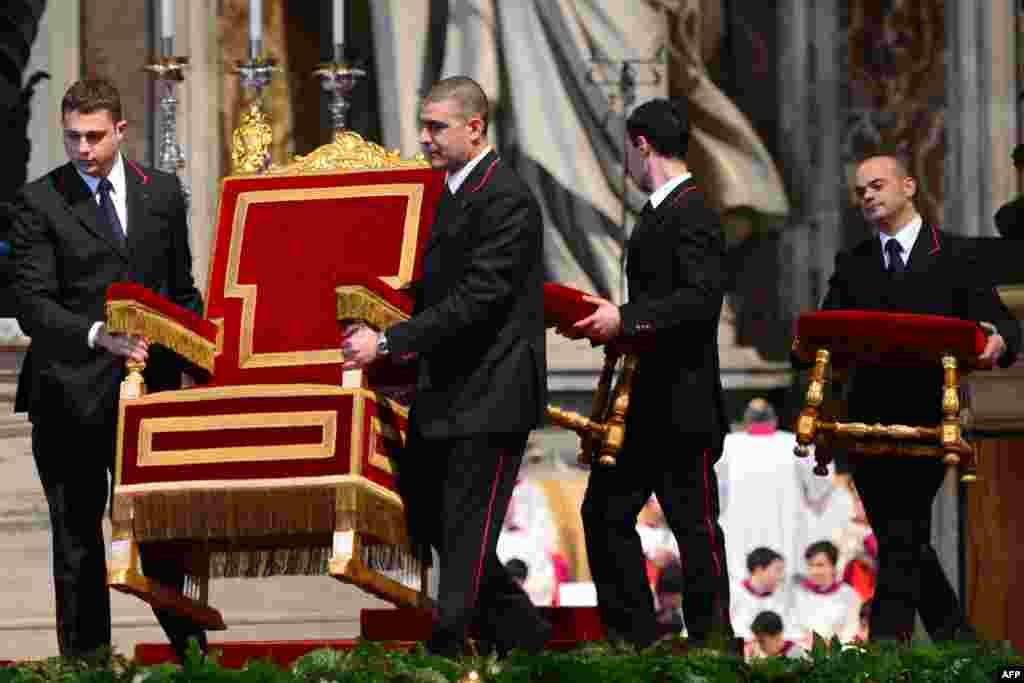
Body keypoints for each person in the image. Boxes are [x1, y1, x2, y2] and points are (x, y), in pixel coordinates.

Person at [340, 75, 550, 658]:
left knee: (466, 535)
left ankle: (447, 651)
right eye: (424, 126)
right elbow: (436, 288)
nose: (425, 139)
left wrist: (388, 343)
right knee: (433, 523)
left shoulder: (505, 196)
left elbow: (479, 298)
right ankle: (532, 641)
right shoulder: (449, 191)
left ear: (474, 127)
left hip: (493, 391)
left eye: (437, 127)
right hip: (447, 391)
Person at [9, 79, 205, 659]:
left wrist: (204, 357)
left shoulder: (163, 193)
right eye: (72, 137)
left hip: (151, 397)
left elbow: (181, 291)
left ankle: (193, 659)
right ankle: (85, 668)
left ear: (121, 130)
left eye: (95, 136)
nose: (83, 149)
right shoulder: (38, 201)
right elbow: (32, 305)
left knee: (165, 537)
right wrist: (101, 337)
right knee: (77, 545)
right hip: (66, 397)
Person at [814, 153, 1020, 641]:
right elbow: (825, 331)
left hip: (929, 421)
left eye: (877, 184)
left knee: (902, 537)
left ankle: (888, 657)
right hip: (864, 427)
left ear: (909, 186)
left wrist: (1001, 341)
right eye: (860, 189)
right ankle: (963, 648)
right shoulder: (853, 264)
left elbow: (1003, 323)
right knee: (902, 541)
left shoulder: (953, 255)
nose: (866, 195)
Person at [568, 97, 732, 648]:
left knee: (696, 530)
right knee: (604, 513)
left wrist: (625, 318)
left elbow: (701, 302)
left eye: (629, 152)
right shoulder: (662, 211)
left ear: (642, 145)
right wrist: (613, 320)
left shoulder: (693, 211)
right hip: (644, 404)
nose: (629, 165)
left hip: (683, 406)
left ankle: (712, 647)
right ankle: (633, 639)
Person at [790, 541, 860, 644]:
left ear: (833, 566)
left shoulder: (848, 595)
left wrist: (831, 643)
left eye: (820, 565)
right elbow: (791, 629)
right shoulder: (798, 594)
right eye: (810, 565)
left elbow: (852, 631)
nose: (814, 571)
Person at [731, 547, 790, 641]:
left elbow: (787, 629)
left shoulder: (780, 597)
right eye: (778, 570)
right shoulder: (733, 592)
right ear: (758, 570)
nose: (781, 576)